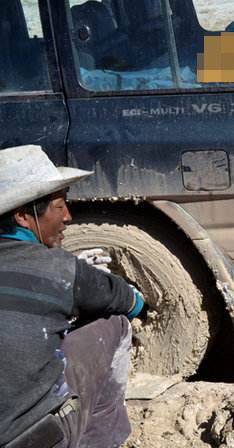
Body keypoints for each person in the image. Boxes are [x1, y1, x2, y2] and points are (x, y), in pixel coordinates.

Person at [0, 145, 145, 448]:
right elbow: (127, 300)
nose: (68, 216)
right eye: (59, 206)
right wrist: (131, 299)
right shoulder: (58, 268)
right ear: (24, 216)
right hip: (34, 438)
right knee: (115, 324)